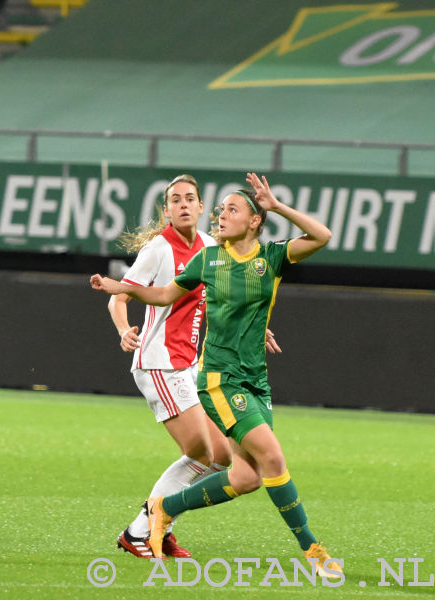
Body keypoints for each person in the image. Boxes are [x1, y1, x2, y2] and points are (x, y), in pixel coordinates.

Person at [91, 173, 343, 579]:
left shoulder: (249, 254)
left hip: (248, 379)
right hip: (191, 371)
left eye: (227, 208)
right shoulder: (189, 255)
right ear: (168, 208)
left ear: (254, 220)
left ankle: (164, 510)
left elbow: (320, 236)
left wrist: (277, 206)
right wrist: (116, 293)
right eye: (177, 199)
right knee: (257, 456)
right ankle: (312, 550)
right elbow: (155, 294)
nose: (214, 213)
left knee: (241, 474)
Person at [109, 174, 280, 560]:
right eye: (175, 200)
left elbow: (231, 295)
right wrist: (123, 329)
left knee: (220, 455)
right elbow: (119, 295)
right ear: (167, 210)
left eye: (190, 198)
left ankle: (159, 525)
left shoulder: (209, 246)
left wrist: (258, 325)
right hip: (159, 363)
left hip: (188, 365)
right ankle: (141, 531)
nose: (184, 204)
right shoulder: (158, 249)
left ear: (202, 207)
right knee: (202, 451)